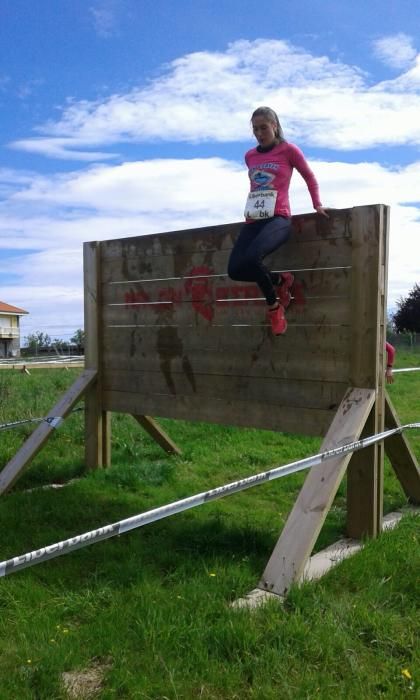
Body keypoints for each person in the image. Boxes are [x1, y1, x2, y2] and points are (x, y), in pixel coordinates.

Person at [228, 106, 328, 335]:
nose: (259, 133)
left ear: (275, 125)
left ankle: (274, 308)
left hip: (278, 218)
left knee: (253, 258)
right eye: (255, 129)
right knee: (235, 269)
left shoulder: (289, 150)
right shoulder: (250, 156)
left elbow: (309, 176)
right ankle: (282, 280)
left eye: (263, 127)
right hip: (253, 221)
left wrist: (317, 204)